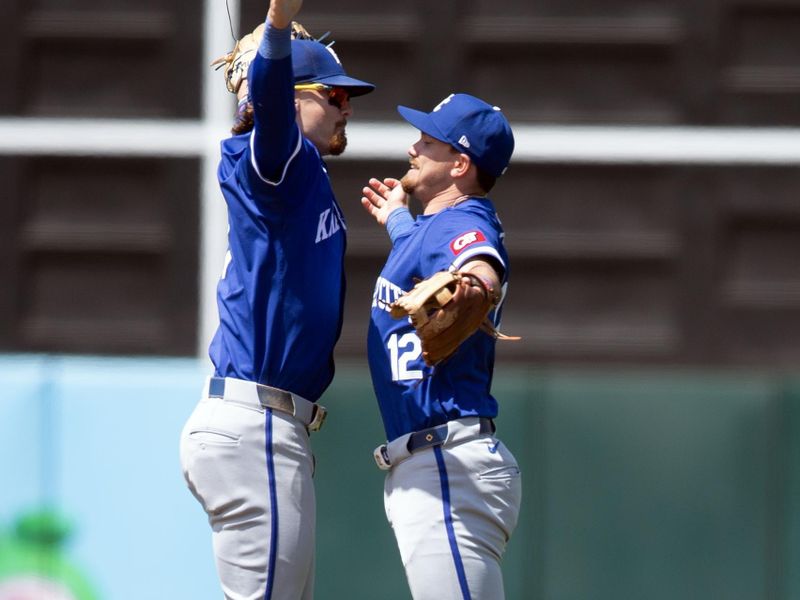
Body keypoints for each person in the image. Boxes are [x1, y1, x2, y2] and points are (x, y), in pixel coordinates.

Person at [179, 0, 374, 598]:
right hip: (254, 422)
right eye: (332, 94)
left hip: (266, 426)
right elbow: (267, 95)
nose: (346, 105)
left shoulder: (300, 173)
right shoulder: (276, 163)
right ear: (290, 101)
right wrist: (279, 25)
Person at [360, 93, 522, 600]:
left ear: (460, 163)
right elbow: (430, 245)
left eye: (428, 141)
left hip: (447, 463)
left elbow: (480, 260)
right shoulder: (430, 227)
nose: (414, 147)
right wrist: (397, 221)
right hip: (434, 463)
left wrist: (477, 286)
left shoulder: (464, 222)